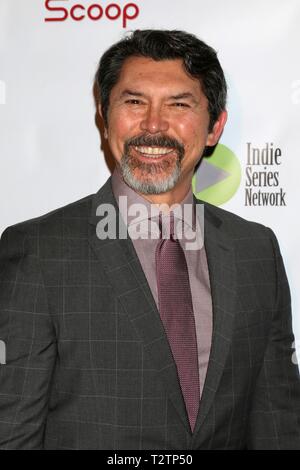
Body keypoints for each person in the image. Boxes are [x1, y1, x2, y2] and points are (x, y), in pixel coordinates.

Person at [0, 29, 299, 450]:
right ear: (104, 117)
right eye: (134, 102)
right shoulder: (38, 251)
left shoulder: (256, 251)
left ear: (215, 127)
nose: (153, 125)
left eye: (179, 104)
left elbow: (278, 423)